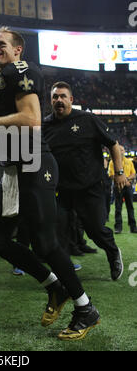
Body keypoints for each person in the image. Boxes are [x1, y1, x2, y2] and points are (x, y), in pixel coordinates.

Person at [0, 8, 100, 341]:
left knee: (46, 243)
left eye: (1, 44)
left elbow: (32, 119)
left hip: (34, 163)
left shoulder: (23, 70)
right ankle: (55, 288)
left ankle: (85, 307)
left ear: (18, 49)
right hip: (12, 169)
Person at [43, 81, 126, 281]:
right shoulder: (45, 125)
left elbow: (113, 145)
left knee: (96, 230)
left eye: (63, 96)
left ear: (71, 100)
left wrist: (119, 171)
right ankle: (64, 274)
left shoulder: (88, 119)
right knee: (58, 230)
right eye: (55, 97)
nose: (59, 100)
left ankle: (113, 252)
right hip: (61, 191)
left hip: (90, 188)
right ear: (51, 101)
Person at [108, 145, 137, 233]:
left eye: (122, 150)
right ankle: (118, 227)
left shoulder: (129, 161)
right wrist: (125, 181)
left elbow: (133, 173)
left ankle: (133, 227)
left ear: (124, 151)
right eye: (119, 150)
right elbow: (112, 175)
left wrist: (127, 179)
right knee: (118, 207)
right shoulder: (112, 162)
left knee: (130, 207)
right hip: (118, 187)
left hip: (127, 186)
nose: (121, 151)